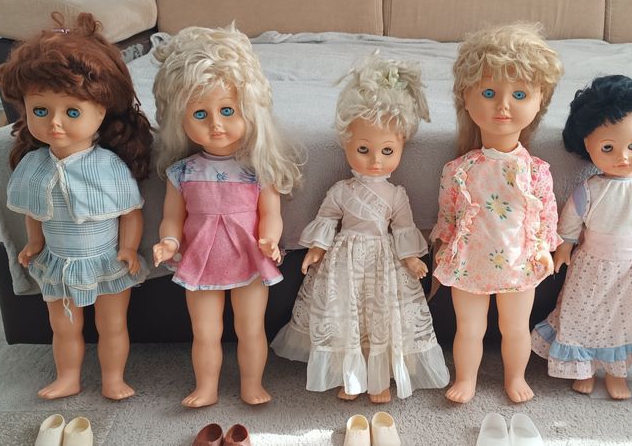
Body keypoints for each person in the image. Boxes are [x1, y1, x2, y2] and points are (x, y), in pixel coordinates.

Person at [271, 53, 449, 403]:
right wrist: (316, 249)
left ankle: (380, 381)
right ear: (346, 144)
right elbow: (327, 218)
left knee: (382, 317)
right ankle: (349, 376)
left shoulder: (396, 194)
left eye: (387, 150)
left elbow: (403, 228)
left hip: (383, 262)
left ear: (402, 145)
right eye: (364, 149)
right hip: (345, 263)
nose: (376, 160)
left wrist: (411, 259)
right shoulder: (341, 190)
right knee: (346, 317)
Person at [0, 12, 152, 401]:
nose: (55, 124)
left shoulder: (108, 166)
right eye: (40, 111)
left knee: (112, 324)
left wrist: (129, 248)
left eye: (72, 112)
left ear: (101, 110)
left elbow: (130, 212)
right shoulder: (35, 164)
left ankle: (113, 379)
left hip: (106, 261)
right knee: (63, 326)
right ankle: (68, 377)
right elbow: (36, 210)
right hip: (59, 261)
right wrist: (34, 243)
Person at [150, 25, 302, 407]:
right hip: (200, 260)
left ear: (249, 110)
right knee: (205, 332)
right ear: (180, 120)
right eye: (200, 114)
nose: (216, 124)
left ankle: (252, 385)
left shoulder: (257, 169)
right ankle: (206, 387)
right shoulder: (182, 172)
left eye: (227, 111)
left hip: (248, 257)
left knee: (251, 329)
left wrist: (270, 238)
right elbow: (172, 217)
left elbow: (271, 213)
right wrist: (168, 241)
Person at [531, 74, 632, 400]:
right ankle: (585, 369)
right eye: (608, 147)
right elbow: (570, 223)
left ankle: (617, 374)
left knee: (624, 319)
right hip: (591, 264)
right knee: (583, 315)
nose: (623, 157)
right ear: (587, 146)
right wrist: (563, 250)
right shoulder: (588, 190)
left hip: (630, 268)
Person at [431, 23, 563, 404]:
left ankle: (515, 377)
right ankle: (466, 379)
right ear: (467, 98)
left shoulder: (535, 171)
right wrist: (443, 245)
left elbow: (546, 214)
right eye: (489, 93)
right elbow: (449, 215)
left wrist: (545, 248)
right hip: (469, 260)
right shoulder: (459, 169)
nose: (503, 106)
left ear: (539, 101)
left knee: (516, 327)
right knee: (469, 328)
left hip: (518, 260)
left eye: (519, 94)